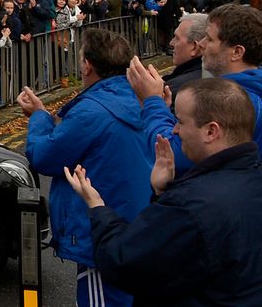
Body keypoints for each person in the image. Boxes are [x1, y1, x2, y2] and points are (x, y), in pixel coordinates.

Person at [65, 78, 262, 307]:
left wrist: (97, 207)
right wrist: (162, 191)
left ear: (211, 131)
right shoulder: (249, 181)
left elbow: (123, 262)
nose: (175, 131)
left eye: (179, 121)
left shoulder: (191, 205)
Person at [19, 29, 150, 307]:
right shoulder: (137, 100)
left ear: (88, 64)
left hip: (101, 235)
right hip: (135, 228)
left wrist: (39, 116)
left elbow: (46, 156)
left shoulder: (91, 110)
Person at [128, 3, 262, 171]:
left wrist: (152, 101)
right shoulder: (253, 88)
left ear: (237, 52)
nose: (202, 44)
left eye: (210, 39)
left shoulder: (230, 99)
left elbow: (174, 155)